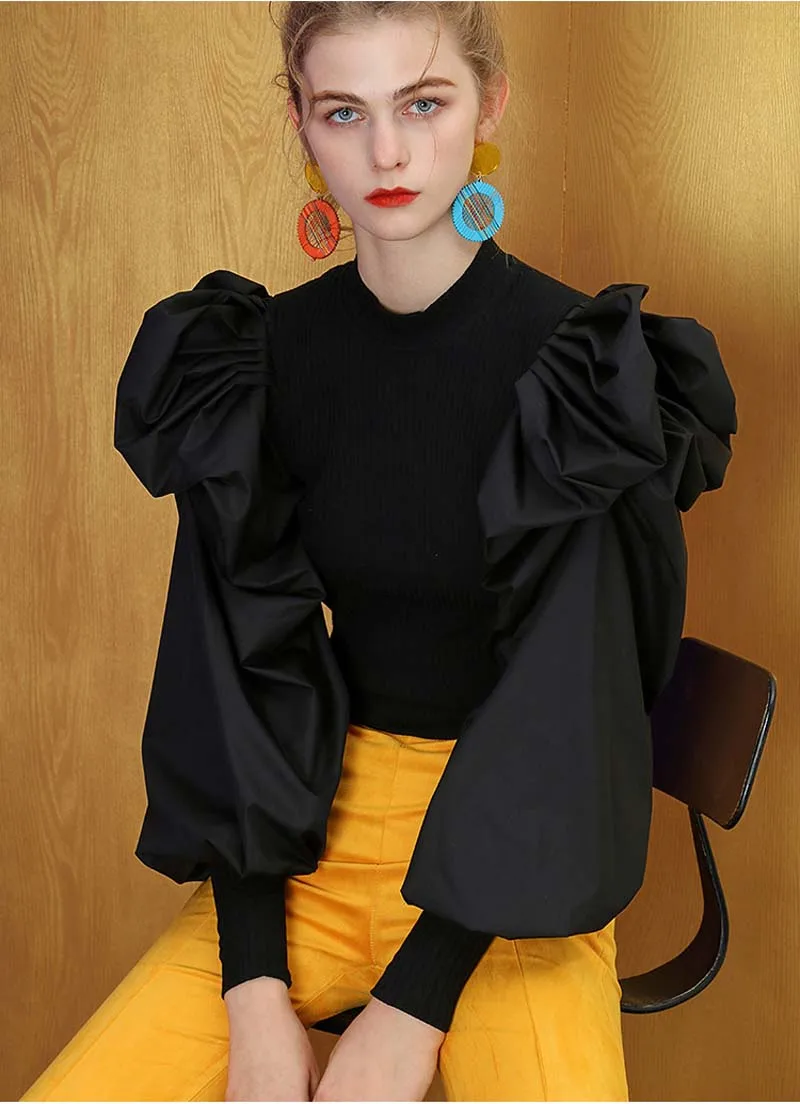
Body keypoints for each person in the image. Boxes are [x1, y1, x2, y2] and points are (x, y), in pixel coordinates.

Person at [21, 2, 738, 1102]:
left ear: (489, 104)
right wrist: (253, 989)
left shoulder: (582, 380)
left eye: (423, 102)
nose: (387, 154)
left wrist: (412, 1008)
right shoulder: (256, 360)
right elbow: (231, 664)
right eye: (344, 112)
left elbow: (572, 705)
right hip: (312, 835)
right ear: (301, 123)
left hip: (518, 863)